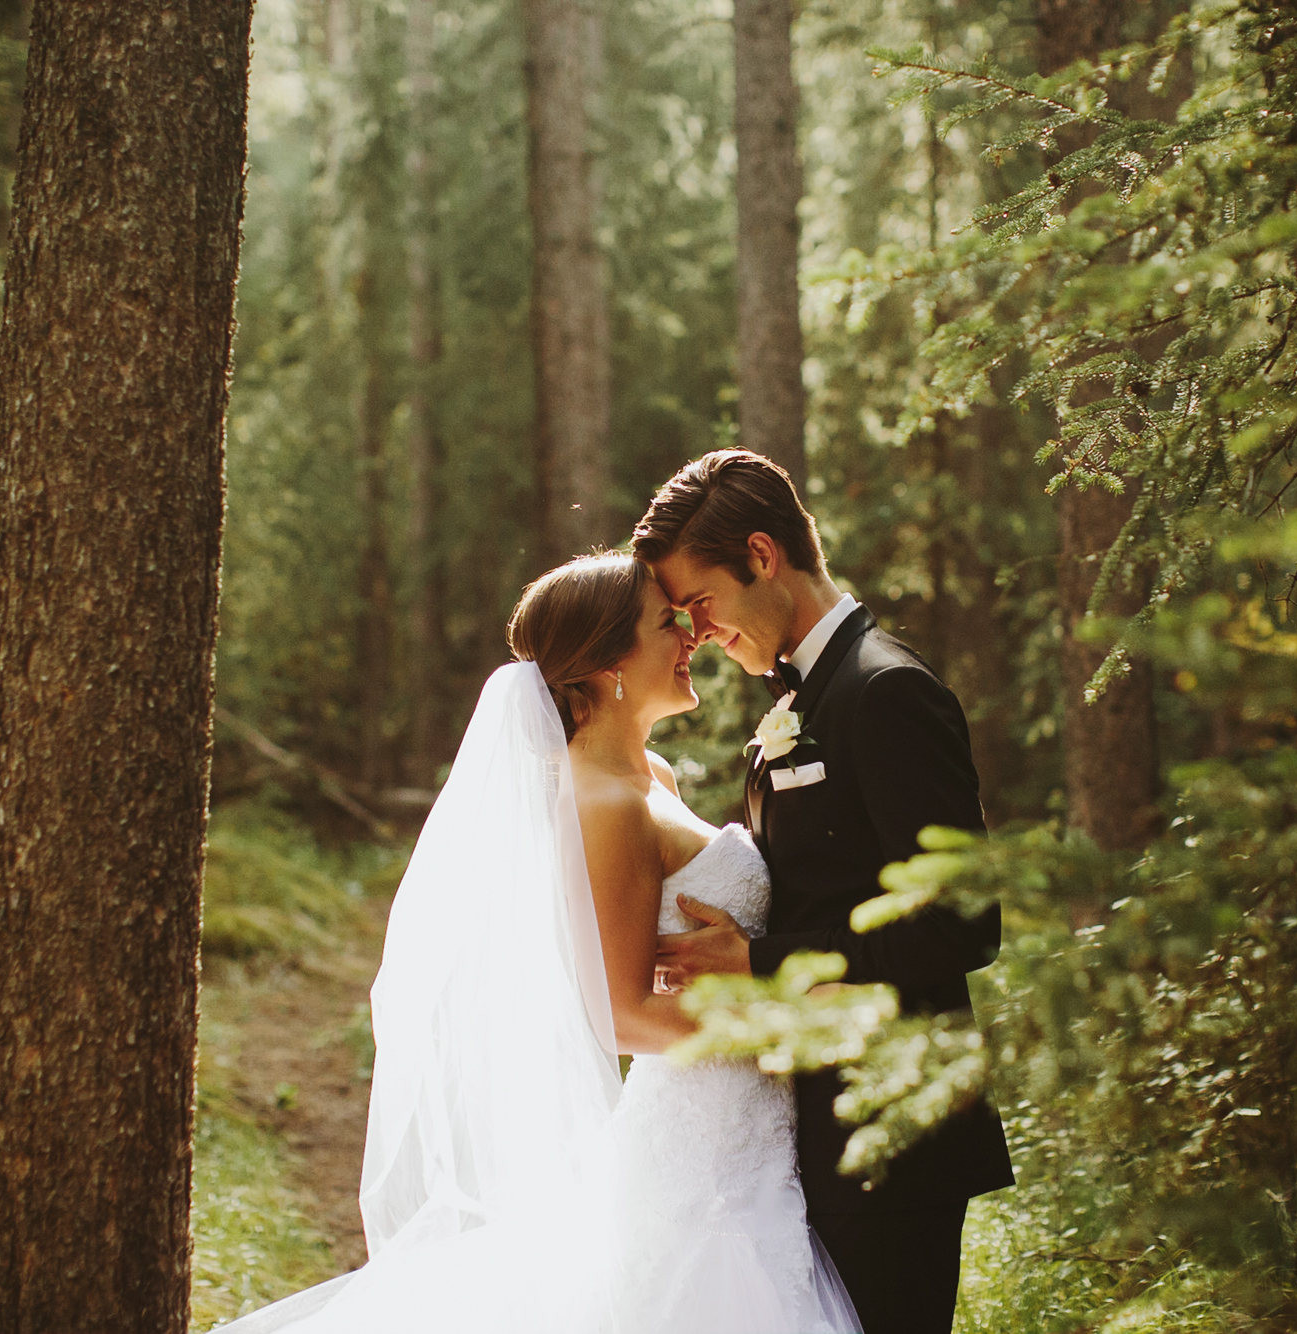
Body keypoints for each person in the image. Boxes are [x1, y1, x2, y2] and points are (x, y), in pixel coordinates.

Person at [210, 553, 857, 1334]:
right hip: (705, 1149)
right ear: (609, 663)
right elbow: (618, 1013)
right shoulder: (606, 800)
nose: (689, 637)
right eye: (666, 623)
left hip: (738, 1128)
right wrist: (780, 1020)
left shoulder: (650, 777)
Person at [637, 449, 1015, 1334]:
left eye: (701, 605)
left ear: (762, 557)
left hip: (893, 1136)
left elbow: (963, 925)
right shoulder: (797, 697)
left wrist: (761, 962)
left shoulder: (886, 691)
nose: (696, 632)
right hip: (799, 1129)